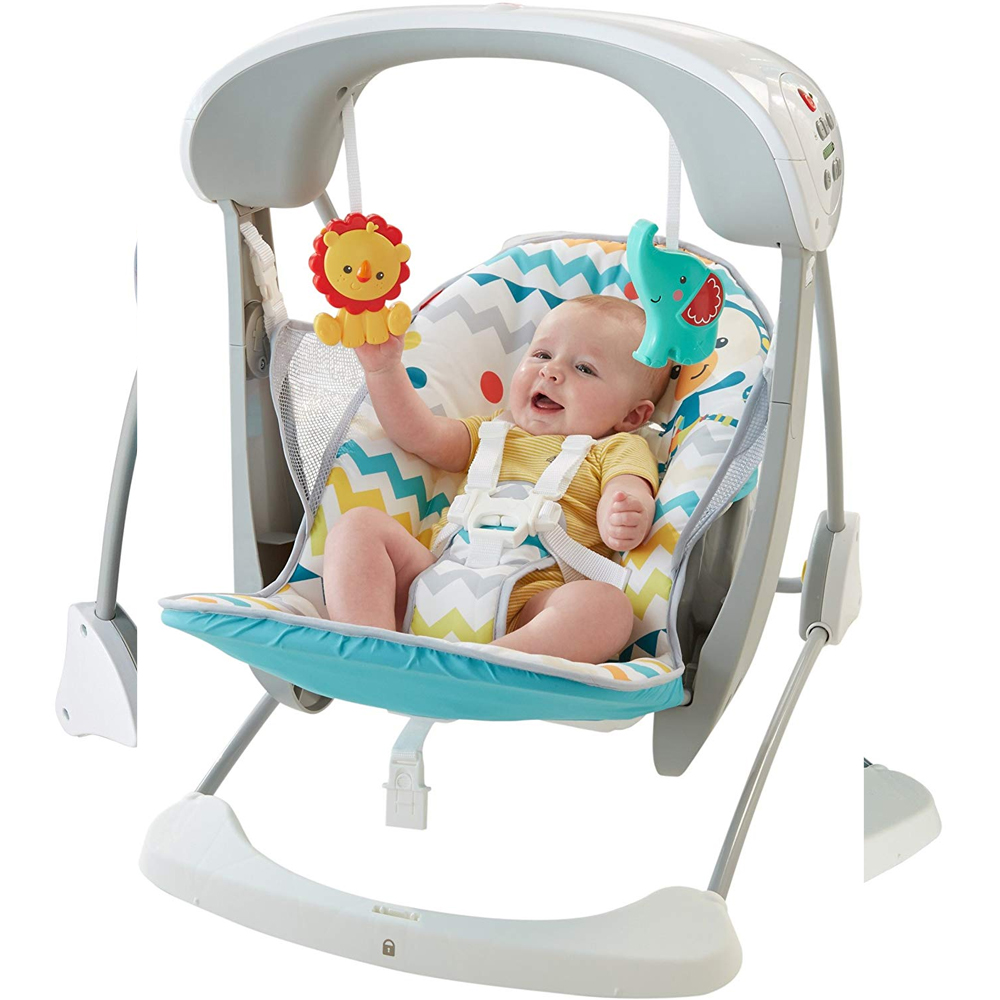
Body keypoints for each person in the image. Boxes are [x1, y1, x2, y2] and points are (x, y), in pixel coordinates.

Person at [323, 294, 670, 663]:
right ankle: (373, 649)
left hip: (530, 610)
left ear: (632, 417)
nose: (551, 372)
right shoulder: (492, 432)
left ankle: (485, 664)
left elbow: (628, 489)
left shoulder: (617, 448)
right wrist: (383, 371)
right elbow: (419, 435)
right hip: (428, 580)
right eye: (542, 354)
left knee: (608, 609)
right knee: (357, 526)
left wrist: (624, 513)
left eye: (584, 368)